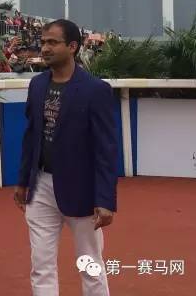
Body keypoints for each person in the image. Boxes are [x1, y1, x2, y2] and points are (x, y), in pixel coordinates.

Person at [14, 19, 118, 296]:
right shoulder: (37, 85)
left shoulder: (96, 90)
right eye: (43, 42)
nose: (45, 48)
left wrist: (105, 200)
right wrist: (23, 181)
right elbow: (31, 135)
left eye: (52, 42)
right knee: (41, 265)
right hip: (40, 187)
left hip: (82, 190)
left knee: (90, 265)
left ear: (72, 47)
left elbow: (106, 149)